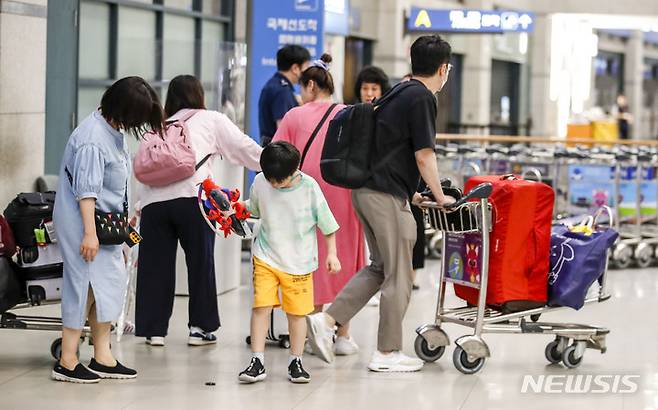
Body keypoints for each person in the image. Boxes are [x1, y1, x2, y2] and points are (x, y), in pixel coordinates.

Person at [306, 35, 455, 372]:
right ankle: (386, 353)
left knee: (379, 268)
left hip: (367, 191)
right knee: (400, 275)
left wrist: (413, 192)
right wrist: (440, 195)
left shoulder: (398, 92)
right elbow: (423, 156)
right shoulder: (422, 97)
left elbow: (390, 148)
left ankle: (327, 321)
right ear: (444, 69)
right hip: (385, 197)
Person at [135, 75, 262, 347]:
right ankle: (200, 329)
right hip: (193, 199)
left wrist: (138, 207)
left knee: (154, 268)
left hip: (153, 206)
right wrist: (274, 163)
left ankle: (153, 330)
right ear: (199, 95)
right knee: (200, 264)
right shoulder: (211, 119)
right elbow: (243, 148)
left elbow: (146, 171)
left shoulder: (158, 126)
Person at [52, 76, 165, 383]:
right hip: (85, 223)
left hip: (106, 224)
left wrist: (123, 218)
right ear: (124, 110)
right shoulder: (92, 138)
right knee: (83, 286)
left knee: (108, 284)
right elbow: (86, 192)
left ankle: (102, 356)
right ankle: (67, 359)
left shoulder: (112, 129)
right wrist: (89, 233)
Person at [272, 53, 366, 356]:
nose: (301, 94)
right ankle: (343, 334)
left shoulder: (294, 116)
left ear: (311, 85)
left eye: (302, 88)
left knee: (311, 260)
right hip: (345, 195)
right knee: (345, 258)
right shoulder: (349, 113)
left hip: (305, 198)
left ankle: (314, 329)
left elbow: (277, 156)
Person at [239, 141, 341, 384]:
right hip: (265, 255)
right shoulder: (261, 181)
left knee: (296, 314)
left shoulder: (309, 188)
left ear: (295, 170)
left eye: (278, 180)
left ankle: (296, 361)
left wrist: (332, 253)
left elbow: (327, 224)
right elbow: (255, 210)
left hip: (299, 262)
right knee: (260, 308)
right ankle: (257, 360)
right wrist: (234, 208)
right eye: (269, 178)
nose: (273, 184)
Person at [258, 45, 311, 147]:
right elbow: (283, 130)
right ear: (295, 68)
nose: (307, 73)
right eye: (306, 67)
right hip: (279, 156)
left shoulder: (275, 84)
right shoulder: (282, 91)